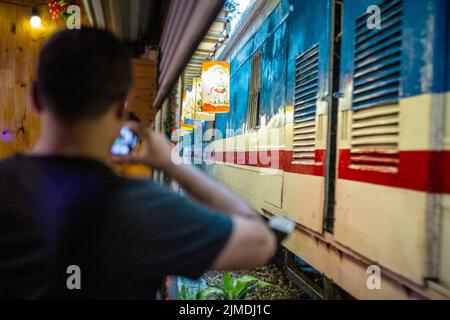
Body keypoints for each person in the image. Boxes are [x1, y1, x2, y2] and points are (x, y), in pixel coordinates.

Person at [0, 28, 276, 299]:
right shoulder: (146, 207)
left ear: (35, 96)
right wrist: (171, 164)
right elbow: (260, 241)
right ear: (122, 107)